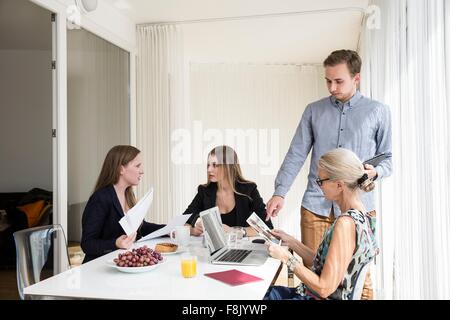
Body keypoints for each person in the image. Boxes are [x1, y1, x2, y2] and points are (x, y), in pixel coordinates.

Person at [265, 49, 392, 299]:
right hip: (316, 205)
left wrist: (375, 172)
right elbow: (296, 154)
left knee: (360, 280)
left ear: (356, 78)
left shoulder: (378, 112)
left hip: (360, 206)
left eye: (339, 81)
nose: (332, 87)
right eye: (328, 81)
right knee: (316, 273)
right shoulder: (314, 111)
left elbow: (388, 159)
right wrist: (280, 192)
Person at [265, 148, 379, 300]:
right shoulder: (364, 217)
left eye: (321, 181)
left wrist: (286, 258)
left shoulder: (345, 224)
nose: (319, 186)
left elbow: (324, 288)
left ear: (339, 185)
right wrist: (292, 242)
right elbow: (327, 264)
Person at [81, 145, 165, 263]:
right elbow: (87, 244)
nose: (142, 171)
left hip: (119, 265)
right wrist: (115, 243)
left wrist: (171, 229)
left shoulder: (128, 195)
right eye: (137, 166)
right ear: (121, 169)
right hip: (98, 268)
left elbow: (142, 228)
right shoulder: (101, 198)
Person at [183, 145, 273, 236]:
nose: (209, 169)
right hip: (213, 250)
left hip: (242, 248)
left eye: (215, 165)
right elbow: (183, 221)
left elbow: (267, 227)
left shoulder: (248, 190)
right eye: (208, 165)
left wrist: (234, 231)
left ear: (228, 167)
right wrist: (193, 230)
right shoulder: (204, 191)